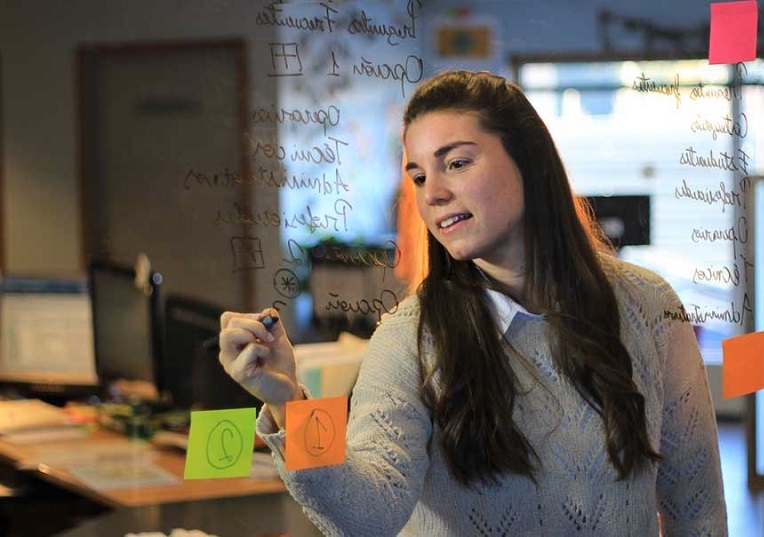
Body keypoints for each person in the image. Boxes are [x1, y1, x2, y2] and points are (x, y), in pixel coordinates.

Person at [218, 70, 728, 536]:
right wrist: (289, 405)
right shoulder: (411, 337)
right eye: (418, 177)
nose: (433, 193)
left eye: (457, 163)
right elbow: (365, 515)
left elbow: (697, 509)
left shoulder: (647, 305)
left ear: (529, 163)